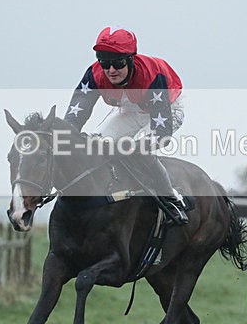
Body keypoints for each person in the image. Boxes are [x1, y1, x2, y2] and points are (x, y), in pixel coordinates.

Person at [63, 26, 188, 224]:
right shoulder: (94, 74)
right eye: (105, 63)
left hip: (166, 110)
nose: (111, 70)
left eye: (118, 63)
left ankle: (172, 200)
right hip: (130, 109)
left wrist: (132, 146)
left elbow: (161, 133)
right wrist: (63, 138)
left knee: (140, 151)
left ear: (130, 60)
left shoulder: (151, 75)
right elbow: (75, 116)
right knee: (96, 145)